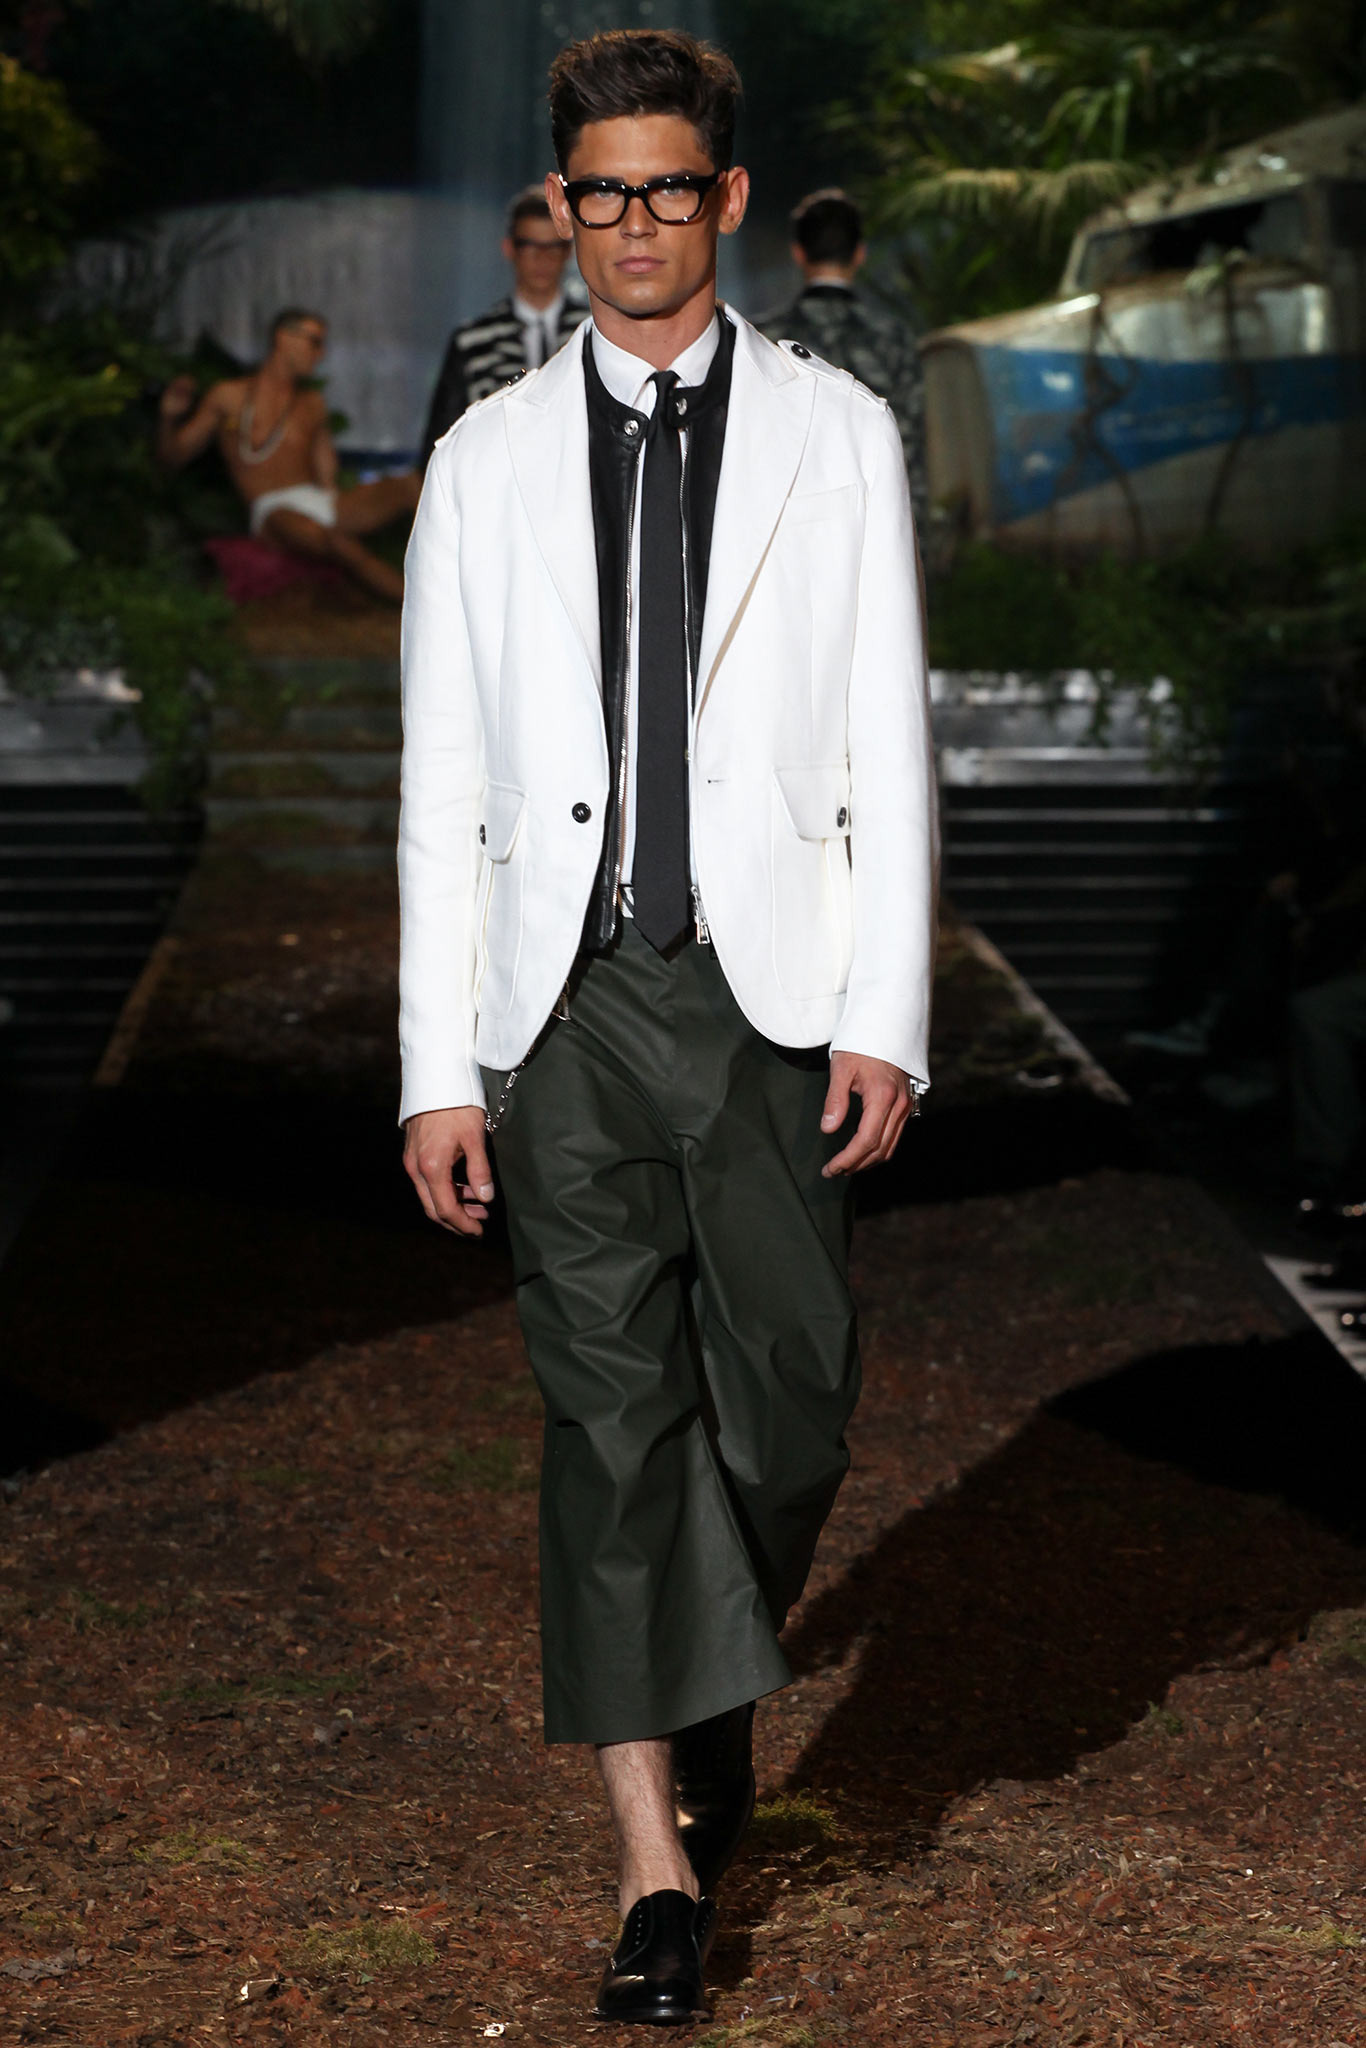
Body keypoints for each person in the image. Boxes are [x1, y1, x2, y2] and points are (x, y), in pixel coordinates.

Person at [398, 29, 937, 2027]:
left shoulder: (834, 433)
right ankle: (654, 1870)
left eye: (666, 188)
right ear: (567, 206)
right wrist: (434, 1065)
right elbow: (439, 781)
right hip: (559, 1004)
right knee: (608, 1417)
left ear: (726, 198)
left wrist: (886, 1012)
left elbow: (884, 734)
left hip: (768, 991)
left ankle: (698, 1668)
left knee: (791, 1402)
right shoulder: (482, 459)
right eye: (598, 193)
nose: (630, 225)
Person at [156, 308, 421, 604]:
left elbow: (327, 479)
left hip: (320, 503)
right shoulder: (228, 396)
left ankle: (455, 568)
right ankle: (417, 604)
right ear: (284, 338)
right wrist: (169, 417)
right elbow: (173, 458)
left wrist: (349, 498)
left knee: (410, 485)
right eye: (314, 342)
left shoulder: (313, 403)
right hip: (274, 510)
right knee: (337, 541)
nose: (320, 354)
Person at [756, 187, 928, 531]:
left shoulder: (762, 340)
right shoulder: (893, 338)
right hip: (876, 528)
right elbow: (909, 450)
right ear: (860, 254)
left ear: (798, 253)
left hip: (790, 534)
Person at [418, 186, 588, 464]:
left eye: (553, 246)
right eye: (529, 246)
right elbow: (441, 444)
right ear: (509, 248)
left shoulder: (593, 334)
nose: (542, 258)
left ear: (568, 250)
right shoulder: (471, 342)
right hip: (491, 482)